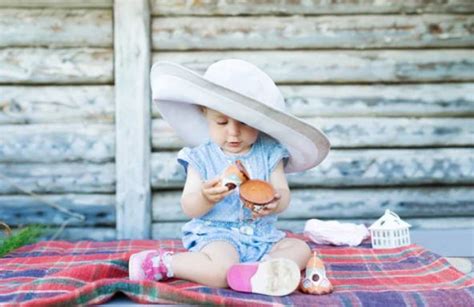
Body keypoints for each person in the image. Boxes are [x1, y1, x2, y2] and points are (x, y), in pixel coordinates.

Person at [128, 59, 333, 296]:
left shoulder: (270, 153)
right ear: (204, 113)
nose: (233, 132)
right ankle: (163, 263)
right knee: (220, 272)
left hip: (263, 239)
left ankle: (260, 270)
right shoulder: (201, 157)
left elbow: (282, 192)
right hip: (218, 236)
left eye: (245, 124)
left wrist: (276, 202)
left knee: (300, 249)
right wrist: (206, 197)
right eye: (222, 122)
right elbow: (189, 207)